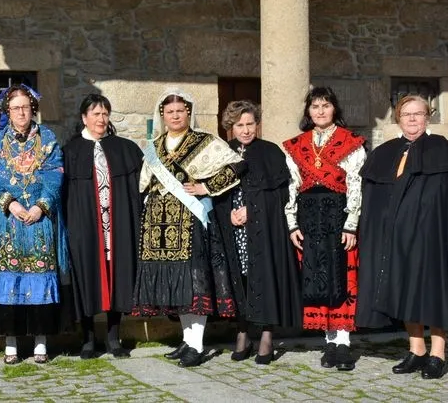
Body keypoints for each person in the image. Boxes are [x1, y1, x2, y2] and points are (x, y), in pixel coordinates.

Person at [355, 95, 448, 379]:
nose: (412, 119)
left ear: (427, 117)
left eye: (418, 114)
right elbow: (376, 199)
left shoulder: (441, 149)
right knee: (405, 290)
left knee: (433, 292)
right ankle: (416, 350)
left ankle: (438, 354)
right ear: (398, 118)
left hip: (431, 237)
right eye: (406, 114)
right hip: (396, 239)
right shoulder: (385, 152)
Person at [133, 89, 244, 368]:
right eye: (170, 112)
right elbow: (145, 182)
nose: (175, 116)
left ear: (188, 112)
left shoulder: (204, 141)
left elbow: (236, 166)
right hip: (159, 223)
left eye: (180, 111)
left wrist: (206, 187)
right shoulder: (155, 145)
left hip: (190, 219)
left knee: (194, 280)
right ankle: (187, 339)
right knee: (177, 282)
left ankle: (197, 345)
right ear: (162, 115)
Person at [282, 86, 366, 372]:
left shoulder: (350, 142)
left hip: (338, 218)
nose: (320, 111)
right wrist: (292, 223)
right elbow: (291, 186)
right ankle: (328, 342)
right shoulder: (297, 145)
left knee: (341, 277)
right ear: (308, 111)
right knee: (316, 278)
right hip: (309, 220)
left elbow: (355, 184)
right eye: (315, 106)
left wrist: (351, 224)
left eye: (325, 105)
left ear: (334, 109)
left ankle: (343, 342)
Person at [214, 100, 302, 365]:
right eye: (239, 125)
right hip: (234, 230)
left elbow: (282, 194)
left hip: (263, 227)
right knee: (239, 279)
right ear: (231, 127)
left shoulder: (271, 152)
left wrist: (252, 211)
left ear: (257, 124)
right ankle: (242, 331)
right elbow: (216, 192)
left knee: (264, 277)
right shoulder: (222, 151)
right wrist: (228, 213)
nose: (246, 130)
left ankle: (266, 335)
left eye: (250, 124)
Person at [0, 84, 68, 364]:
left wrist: (40, 206)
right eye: (15, 108)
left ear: (33, 108)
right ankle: (10, 344)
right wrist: (11, 204)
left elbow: (55, 174)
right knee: (10, 277)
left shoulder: (48, 138)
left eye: (25, 107)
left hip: (39, 219)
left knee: (41, 275)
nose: (21, 112)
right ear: (7, 111)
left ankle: (40, 343)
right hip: (10, 220)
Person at [63, 94, 143, 359]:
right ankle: (87, 339)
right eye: (96, 114)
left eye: (105, 114)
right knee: (87, 275)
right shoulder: (70, 151)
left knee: (116, 275)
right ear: (84, 118)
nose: (101, 119)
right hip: (85, 225)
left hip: (116, 225)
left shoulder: (125, 149)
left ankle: (113, 337)